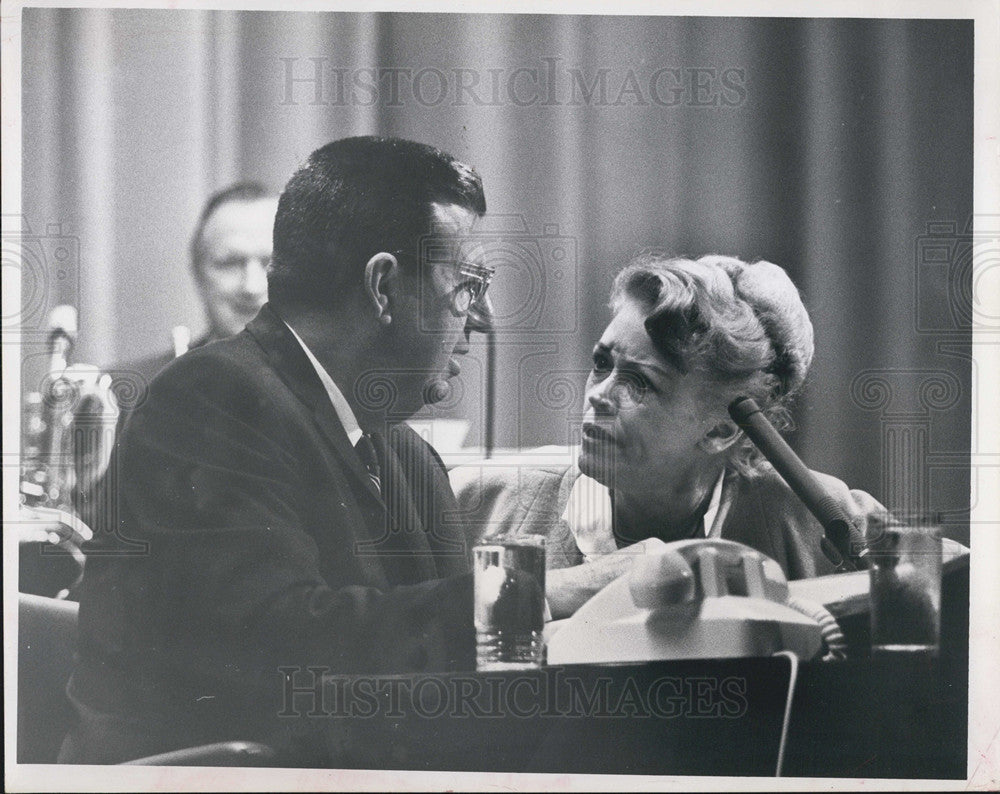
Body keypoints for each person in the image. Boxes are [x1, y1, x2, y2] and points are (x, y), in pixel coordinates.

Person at [61, 137, 497, 765]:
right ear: (383, 287)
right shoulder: (210, 401)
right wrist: (533, 593)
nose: (481, 316)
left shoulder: (408, 456)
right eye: (468, 284)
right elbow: (285, 644)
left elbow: (455, 678)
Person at [451, 253, 890, 619]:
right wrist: (559, 589)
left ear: (721, 430)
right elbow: (395, 627)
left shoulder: (814, 515)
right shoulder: (476, 501)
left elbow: (944, 588)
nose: (599, 395)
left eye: (640, 382)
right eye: (602, 364)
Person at [112, 182, 278, 387]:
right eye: (229, 263)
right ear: (198, 272)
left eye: (274, 262)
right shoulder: (125, 393)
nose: (252, 287)